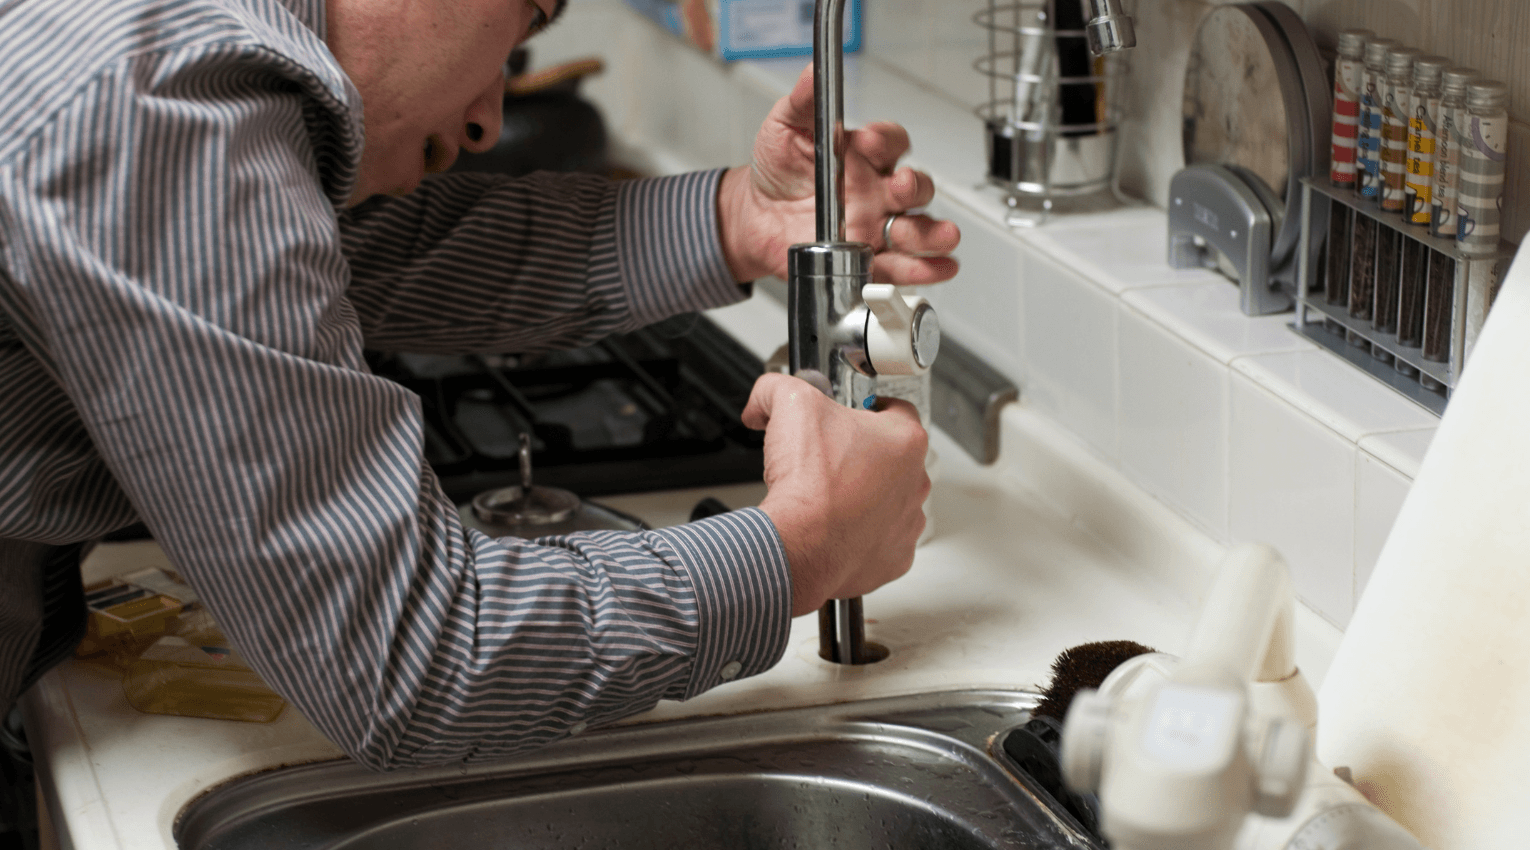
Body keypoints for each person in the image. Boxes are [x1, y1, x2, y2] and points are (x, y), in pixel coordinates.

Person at [0, 0, 961, 770]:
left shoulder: (165, 49)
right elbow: (409, 662)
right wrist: (801, 548)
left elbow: (373, 253)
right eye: (525, 20)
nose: (487, 117)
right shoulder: (161, 102)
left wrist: (739, 216)